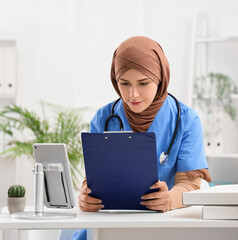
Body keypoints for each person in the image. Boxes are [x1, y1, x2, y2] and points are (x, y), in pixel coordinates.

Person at [61, 36, 211, 240]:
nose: (133, 94)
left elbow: (191, 184)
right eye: (124, 83)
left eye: (143, 83)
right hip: (111, 223)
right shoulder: (104, 118)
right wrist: (87, 198)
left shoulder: (186, 120)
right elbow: (93, 180)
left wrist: (169, 199)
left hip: (165, 222)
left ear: (160, 78)